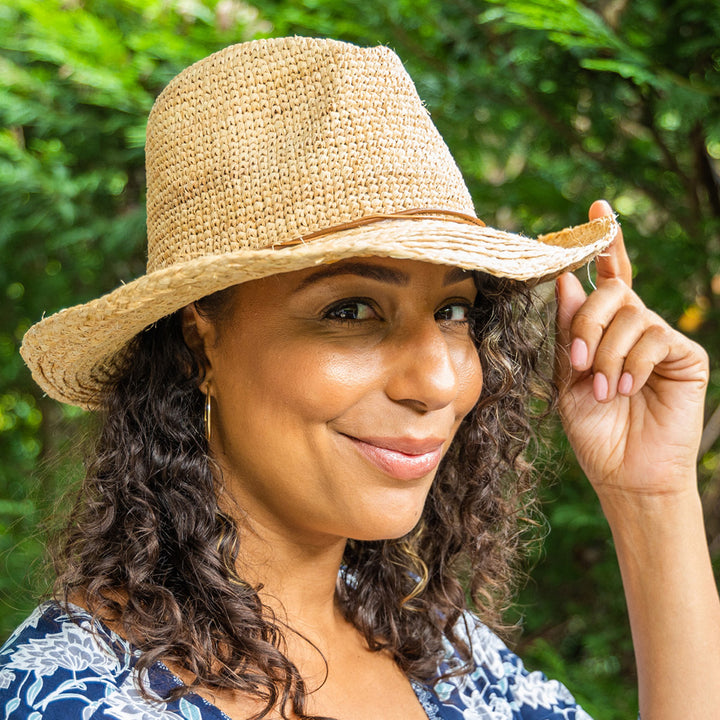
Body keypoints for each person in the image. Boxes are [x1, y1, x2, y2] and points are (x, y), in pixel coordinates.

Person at [0, 36, 718, 720]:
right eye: (351, 309)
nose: (437, 379)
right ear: (199, 344)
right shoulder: (64, 696)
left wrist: (651, 496)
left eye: (453, 309)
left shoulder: (444, 656)